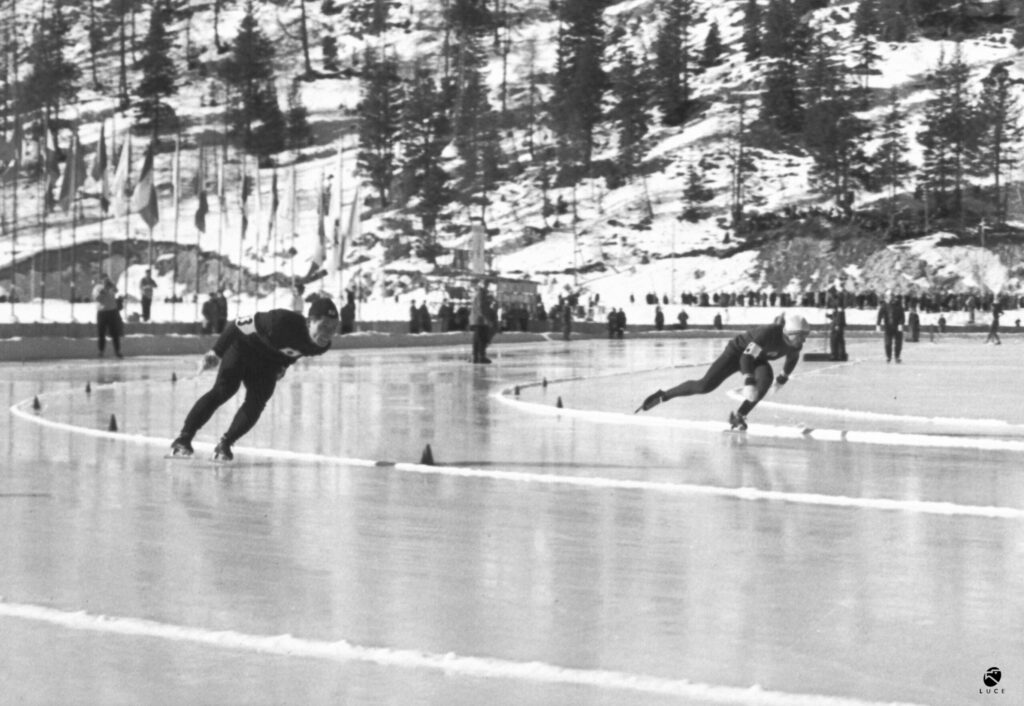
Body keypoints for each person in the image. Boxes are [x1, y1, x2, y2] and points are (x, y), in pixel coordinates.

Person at [170, 298, 340, 461]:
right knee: (224, 390)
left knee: (258, 400)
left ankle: (225, 444)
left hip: (268, 364)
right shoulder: (280, 321)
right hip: (243, 350)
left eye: (332, 328)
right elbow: (237, 324)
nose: (327, 333)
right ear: (310, 321)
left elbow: (293, 352)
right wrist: (217, 352)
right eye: (324, 326)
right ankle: (184, 438)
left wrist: (283, 366)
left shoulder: (321, 346)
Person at [635, 313, 810, 430]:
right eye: (801, 335)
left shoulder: (795, 345)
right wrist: (748, 380)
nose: (803, 339)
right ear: (789, 332)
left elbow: (792, 359)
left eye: (805, 335)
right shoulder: (768, 334)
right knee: (704, 386)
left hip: (758, 359)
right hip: (737, 354)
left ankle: (739, 416)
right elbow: (745, 358)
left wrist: (782, 378)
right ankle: (663, 395)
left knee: (764, 382)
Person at [92, 276, 124, 358]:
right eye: (104, 279)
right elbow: (96, 298)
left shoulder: (111, 287)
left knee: (115, 333)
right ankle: (101, 351)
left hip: (112, 312)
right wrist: (105, 290)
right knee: (101, 333)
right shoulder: (98, 288)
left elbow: (117, 291)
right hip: (102, 312)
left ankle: (117, 351)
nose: (106, 281)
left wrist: (111, 286)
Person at [876, 289, 905, 363]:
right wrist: (878, 324)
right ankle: (888, 357)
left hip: (897, 326)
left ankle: (897, 357)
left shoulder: (898, 305)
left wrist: (901, 324)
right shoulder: (884, 305)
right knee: (888, 343)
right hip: (888, 327)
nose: (889, 298)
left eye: (891, 296)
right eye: (888, 296)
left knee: (898, 343)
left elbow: (902, 315)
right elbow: (880, 315)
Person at [470, 282, 492, 364]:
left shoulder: (480, 294)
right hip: (480, 320)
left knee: (478, 338)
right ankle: (480, 356)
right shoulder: (481, 295)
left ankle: (476, 356)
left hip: (478, 319)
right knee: (481, 338)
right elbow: (481, 308)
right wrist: (487, 319)